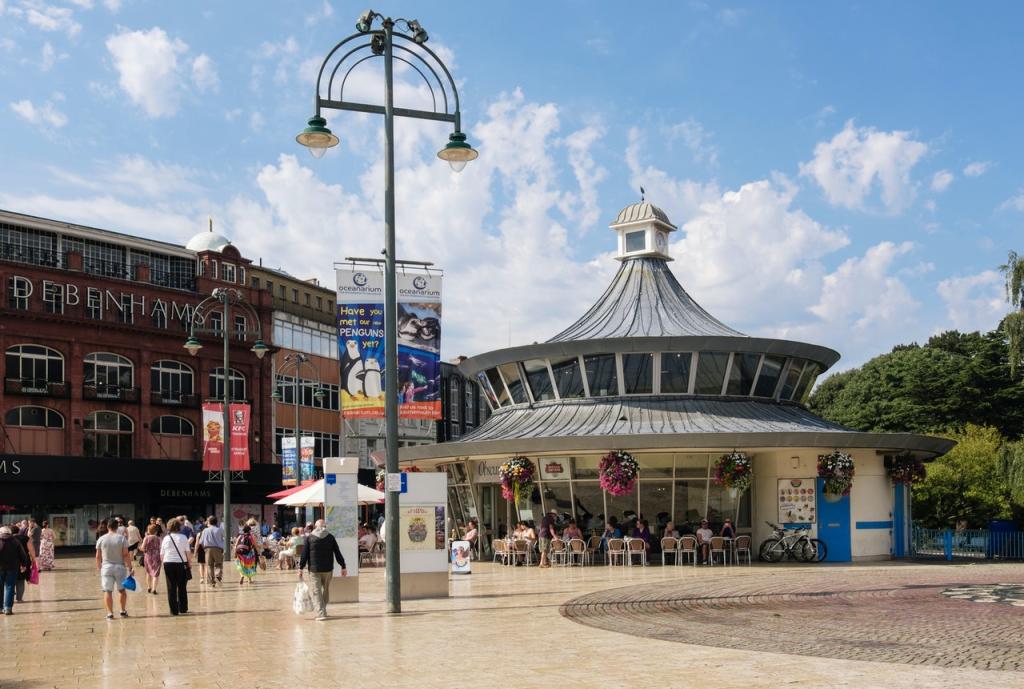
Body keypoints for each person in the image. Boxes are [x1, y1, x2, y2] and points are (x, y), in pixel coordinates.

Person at [298, 519, 348, 621]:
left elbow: (304, 554)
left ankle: (321, 613)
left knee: (317, 592)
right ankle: (323, 610)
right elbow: (337, 553)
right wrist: (343, 566)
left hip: (314, 570)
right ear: (325, 526)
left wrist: (300, 568)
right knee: (326, 590)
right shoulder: (330, 537)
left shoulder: (309, 538)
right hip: (328, 569)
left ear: (315, 527)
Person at [95, 520, 132, 620]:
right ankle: (123, 611)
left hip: (106, 568)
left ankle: (110, 613)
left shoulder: (101, 539)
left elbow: (98, 556)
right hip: (119, 567)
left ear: (108, 527)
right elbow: (125, 555)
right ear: (117, 527)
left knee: (107, 591)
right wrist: (130, 566)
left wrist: (99, 567)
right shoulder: (122, 539)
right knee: (122, 590)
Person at [160, 519, 191, 615]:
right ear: (179, 526)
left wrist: (163, 563)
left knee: (171, 587)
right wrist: (189, 563)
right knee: (182, 586)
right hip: (181, 563)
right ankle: (183, 608)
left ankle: (173, 610)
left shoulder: (166, 538)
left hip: (168, 562)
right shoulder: (183, 537)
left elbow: (162, 554)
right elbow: (188, 553)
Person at [0, 526, 29, 615]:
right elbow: (23, 554)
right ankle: (8, 608)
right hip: (12, 568)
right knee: (10, 587)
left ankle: (0, 608)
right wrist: (24, 564)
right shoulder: (15, 542)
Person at [198, 516, 225, 586]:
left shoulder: (205, 530)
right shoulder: (220, 530)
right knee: (218, 564)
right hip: (218, 549)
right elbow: (223, 540)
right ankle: (217, 575)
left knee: (209, 565)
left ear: (209, 522)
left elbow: (201, 542)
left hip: (207, 549)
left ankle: (212, 582)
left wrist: (204, 548)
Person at [11, 524, 35, 604]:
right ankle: (19, 598)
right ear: (19, 531)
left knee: (10, 581)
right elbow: (31, 549)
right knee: (21, 580)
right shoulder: (25, 538)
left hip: (11, 562)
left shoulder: (8, 539)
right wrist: (34, 559)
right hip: (23, 561)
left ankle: (10, 598)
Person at [141, 524, 163, 595]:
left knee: (148, 572)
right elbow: (161, 548)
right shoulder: (159, 538)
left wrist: (140, 548)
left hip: (148, 556)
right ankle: (154, 589)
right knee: (156, 573)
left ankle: (149, 587)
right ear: (156, 531)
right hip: (156, 556)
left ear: (148, 531)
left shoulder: (146, 538)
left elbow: (142, 548)